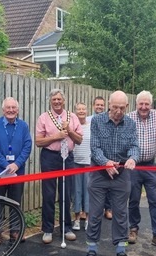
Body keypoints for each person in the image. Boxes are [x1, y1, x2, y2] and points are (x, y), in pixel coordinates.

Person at [84, 90, 139, 256]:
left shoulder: (130, 124)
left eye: (122, 108)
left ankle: (121, 250)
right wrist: (105, 163)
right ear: (109, 105)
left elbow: (134, 146)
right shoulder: (97, 121)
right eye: (115, 107)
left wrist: (132, 158)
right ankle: (92, 249)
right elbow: (95, 147)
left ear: (127, 107)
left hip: (121, 174)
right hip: (100, 172)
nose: (118, 111)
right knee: (95, 212)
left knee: (121, 213)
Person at [127, 90, 156, 250]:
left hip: (150, 165)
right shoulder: (129, 118)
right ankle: (133, 229)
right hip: (133, 166)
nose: (144, 107)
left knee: (155, 200)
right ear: (136, 104)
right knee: (133, 200)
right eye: (141, 103)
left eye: (147, 104)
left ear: (151, 105)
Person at [35, 89, 83, 244]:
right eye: (54, 99)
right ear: (50, 101)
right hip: (49, 157)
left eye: (59, 99)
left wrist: (69, 130)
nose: (56, 102)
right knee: (48, 194)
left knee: (66, 193)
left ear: (64, 100)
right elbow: (38, 142)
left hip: (67, 157)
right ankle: (48, 229)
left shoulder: (73, 117)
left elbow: (79, 140)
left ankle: (66, 228)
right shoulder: (43, 117)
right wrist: (56, 136)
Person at [0, 97, 32, 243]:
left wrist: (16, 164)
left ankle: (15, 231)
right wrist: (6, 165)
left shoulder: (23, 126)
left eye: (14, 108)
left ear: (17, 110)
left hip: (17, 171)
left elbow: (27, 146)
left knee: (15, 202)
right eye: (8, 108)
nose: (11, 110)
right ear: (3, 109)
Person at [86, 96, 113, 220]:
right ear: (93, 106)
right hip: (93, 157)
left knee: (109, 184)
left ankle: (108, 208)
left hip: (106, 156)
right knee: (94, 185)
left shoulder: (109, 120)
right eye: (97, 105)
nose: (99, 107)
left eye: (102, 105)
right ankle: (94, 210)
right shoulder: (88, 120)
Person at [72, 102, 91, 231]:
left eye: (83, 109)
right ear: (75, 111)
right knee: (76, 191)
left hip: (89, 163)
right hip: (75, 163)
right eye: (79, 109)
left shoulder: (91, 127)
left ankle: (89, 219)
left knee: (88, 192)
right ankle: (77, 219)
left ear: (87, 111)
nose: (81, 111)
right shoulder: (72, 128)